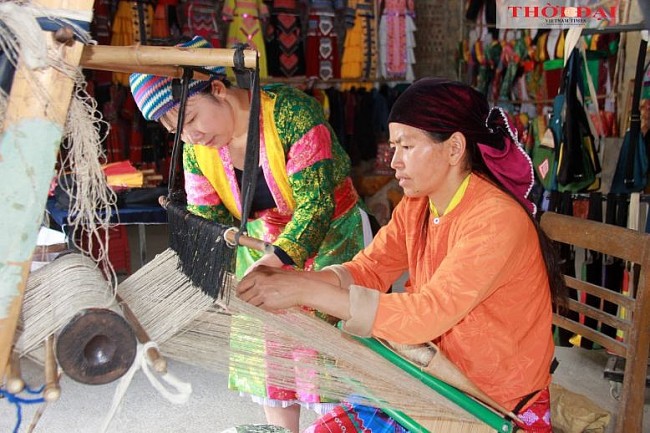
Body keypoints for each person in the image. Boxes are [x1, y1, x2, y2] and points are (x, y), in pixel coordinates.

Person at [237, 78, 567, 433]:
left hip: (492, 403)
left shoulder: (496, 219)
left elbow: (426, 315)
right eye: (393, 146)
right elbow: (370, 268)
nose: (394, 161)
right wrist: (292, 281)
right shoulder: (419, 205)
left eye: (407, 146)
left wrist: (303, 292)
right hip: (434, 377)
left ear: (455, 148)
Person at [129, 36, 372, 433]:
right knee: (269, 354)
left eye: (190, 120)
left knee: (327, 358)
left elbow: (316, 205)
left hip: (333, 238)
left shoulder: (292, 113)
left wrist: (271, 263)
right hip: (259, 241)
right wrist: (218, 278)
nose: (189, 136)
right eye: (174, 130)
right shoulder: (196, 150)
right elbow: (208, 221)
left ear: (219, 90)